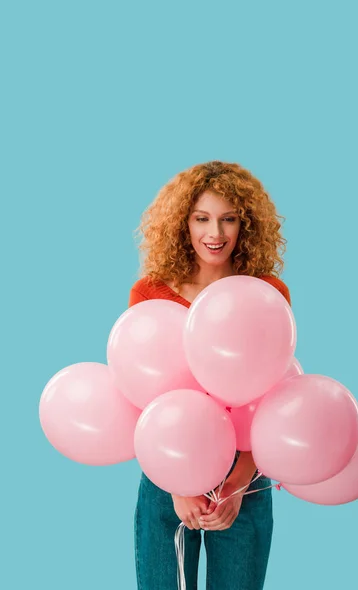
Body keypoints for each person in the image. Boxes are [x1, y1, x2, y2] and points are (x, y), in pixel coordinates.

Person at [128, 160, 291, 589]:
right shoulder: (151, 293)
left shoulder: (268, 294)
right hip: (167, 477)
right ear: (183, 223)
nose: (214, 234)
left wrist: (238, 483)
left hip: (246, 479)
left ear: (245, 224)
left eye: (228, 219)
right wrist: (178, 484)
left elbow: (275, 396)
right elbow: (139, 396)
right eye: (201, 218)